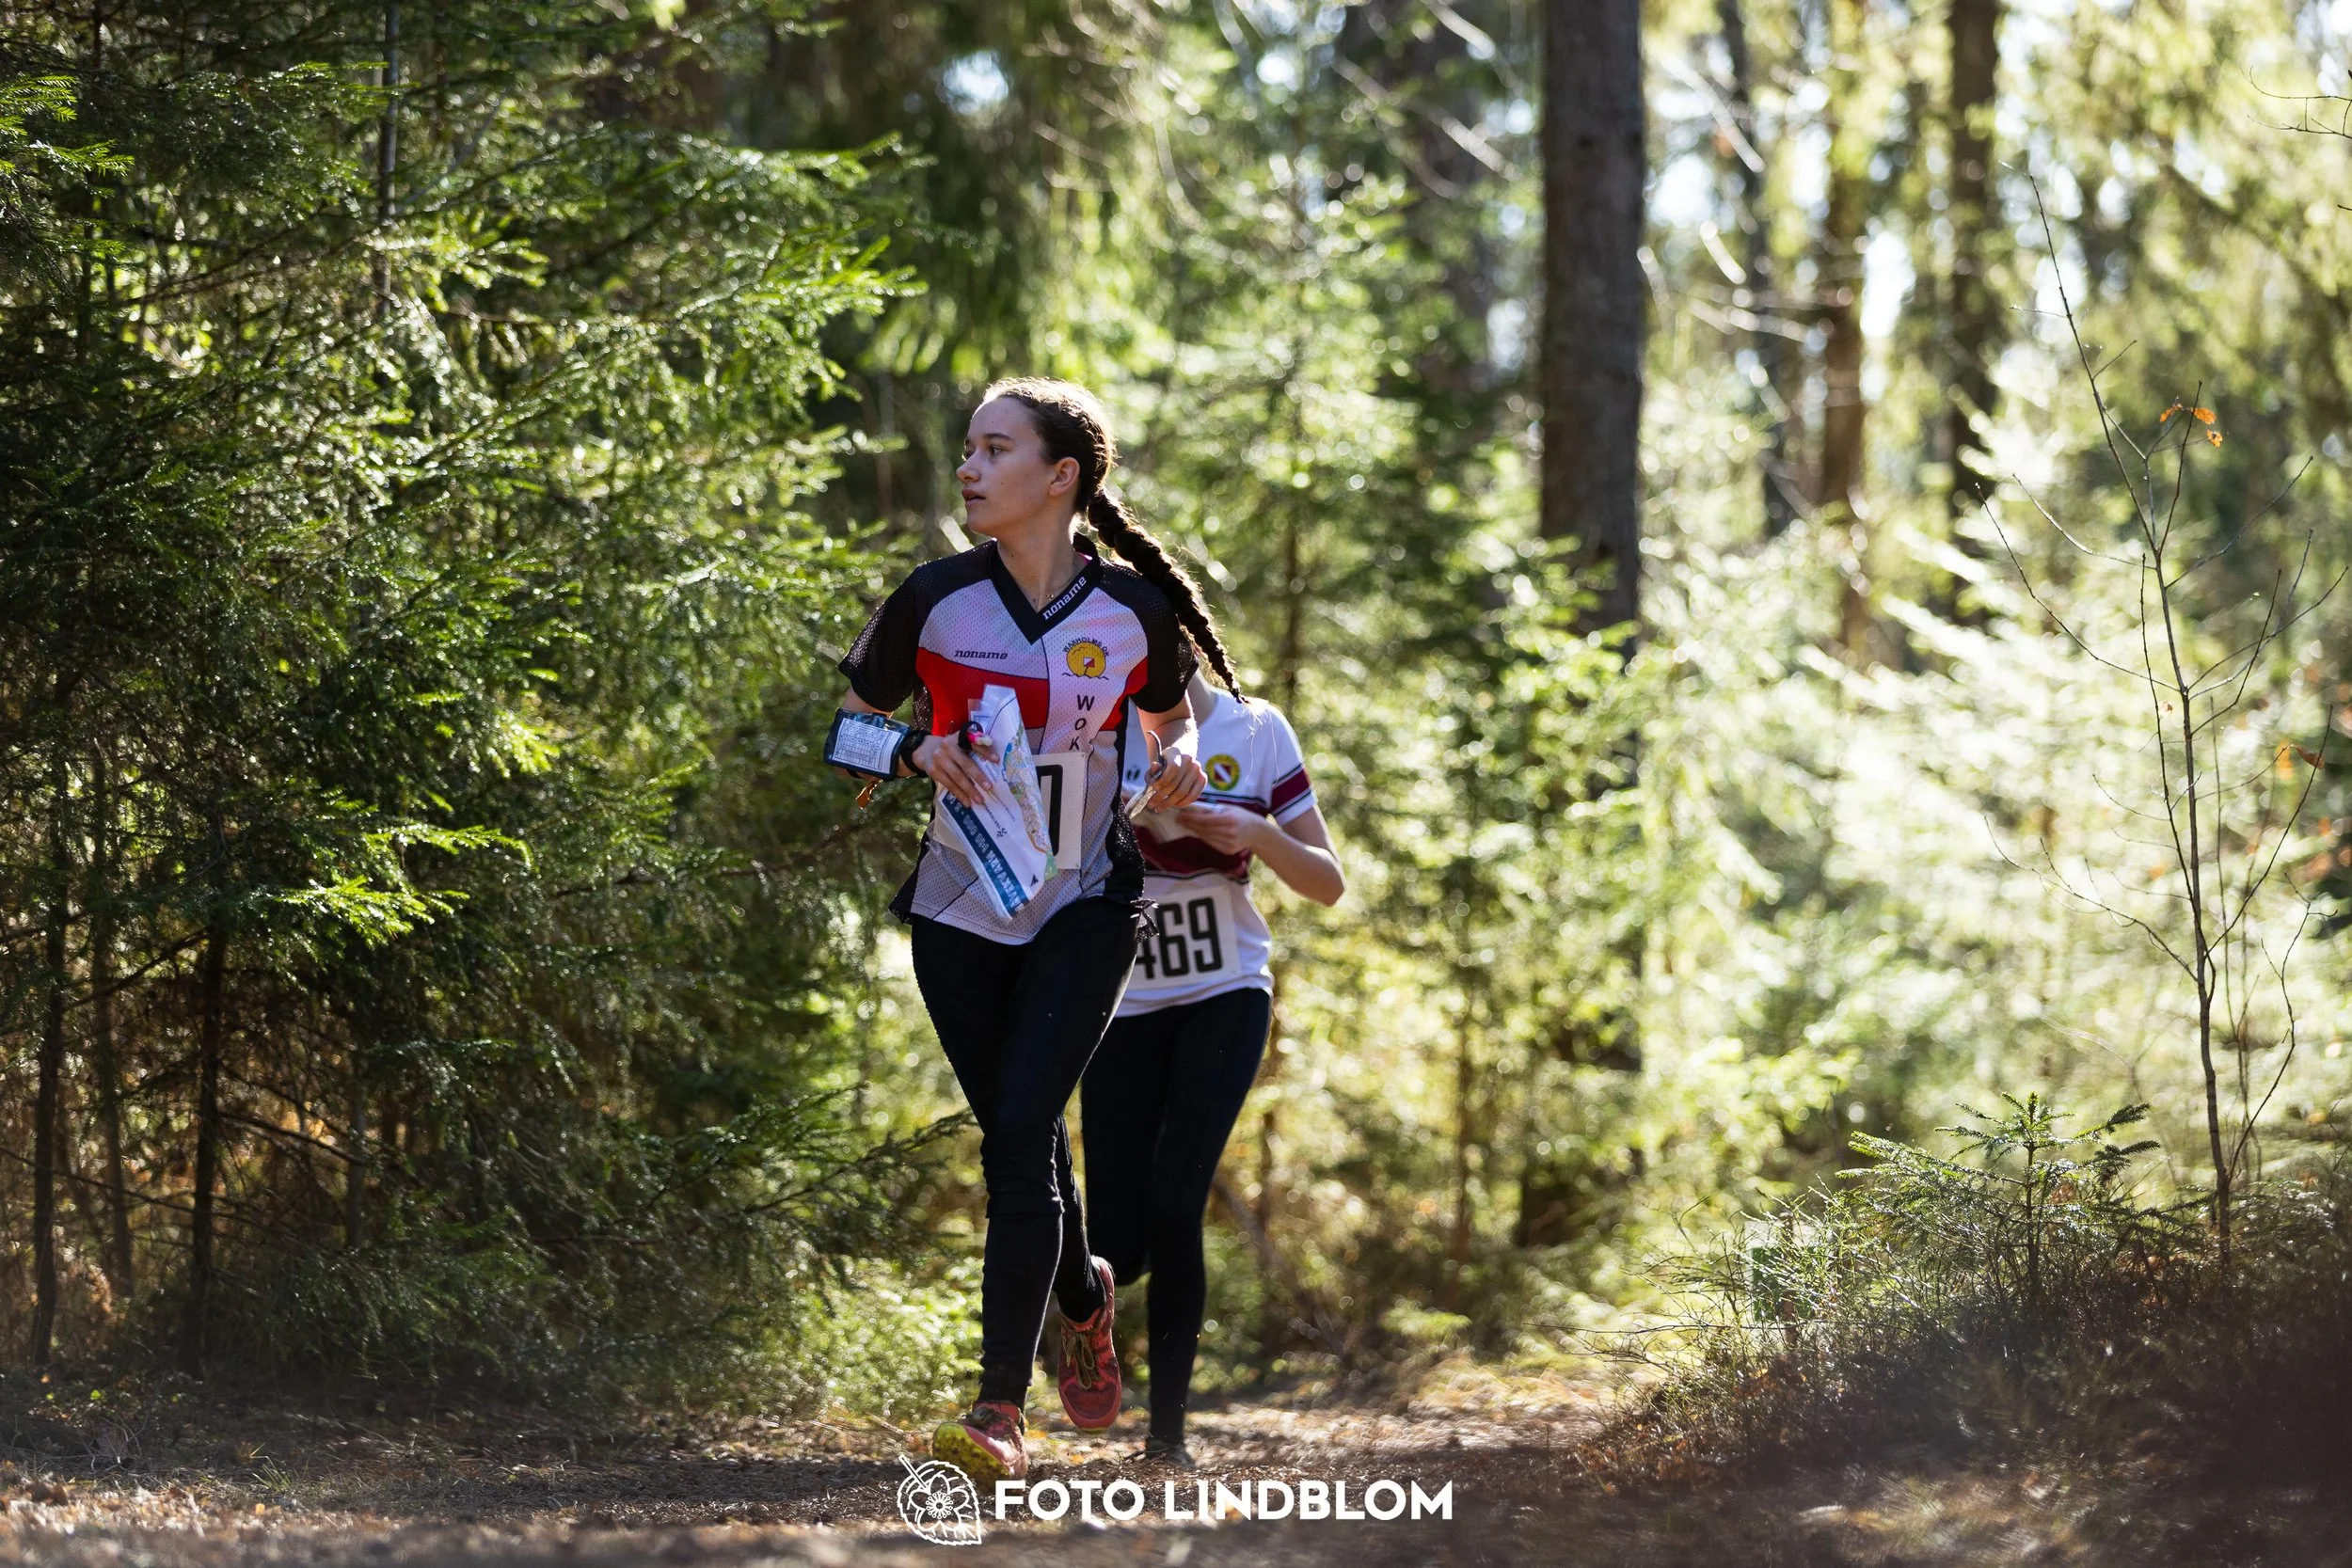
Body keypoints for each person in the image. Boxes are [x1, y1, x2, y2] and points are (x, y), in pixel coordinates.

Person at [832, 377, 1243, 1486]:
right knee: (1022, 1137)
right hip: (959, 905)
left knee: (1019, 1131)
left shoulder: (1133, 612)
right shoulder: (934, 598)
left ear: (1061, 477)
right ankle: (1081, 1290)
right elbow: (846, 730)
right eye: (966, 449)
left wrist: (1176, 761)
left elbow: (1172, 721)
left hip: (1083, 904)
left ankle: (998, 1409)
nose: (968, 467)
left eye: (994, 449)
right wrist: (911, 749)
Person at [1080, 669, 1345, 1467]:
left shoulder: (1257, 729)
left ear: (1192, 635)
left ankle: (1167, 1437)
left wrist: (1255, 833)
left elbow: (1327, 882)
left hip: (1225, 990)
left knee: (1176, 1202)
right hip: (1120, 1002)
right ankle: (1083, 1316)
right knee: (1116, 1245)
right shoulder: (1093, 719)